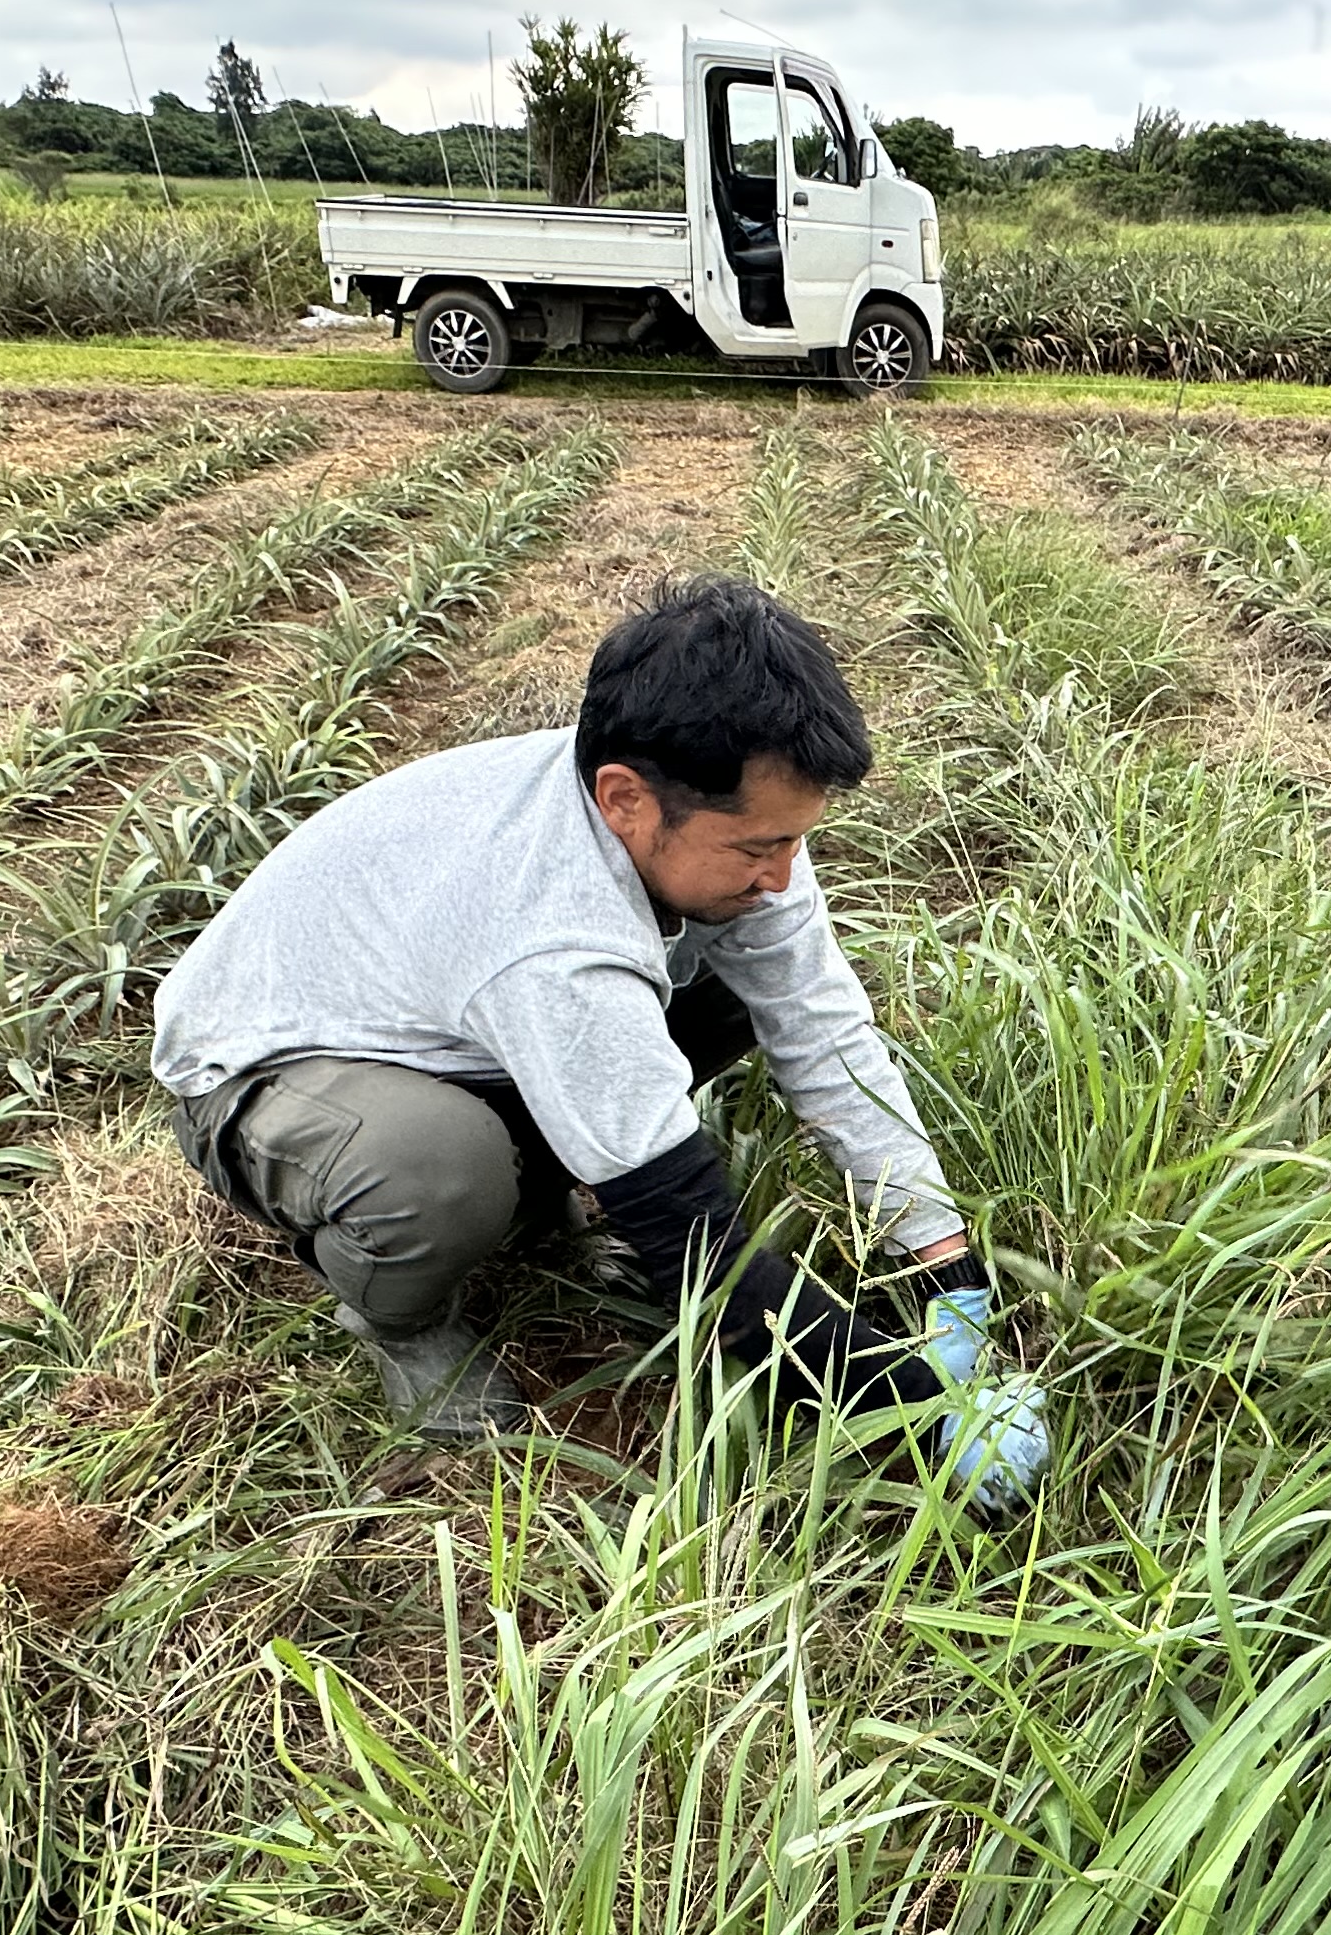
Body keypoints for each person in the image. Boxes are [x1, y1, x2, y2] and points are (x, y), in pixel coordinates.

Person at [153, 573, 1049, 1506]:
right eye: (754, 850)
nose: (784, 876)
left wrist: (942, 1259)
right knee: (432, 1171)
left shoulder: (716, 814)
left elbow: (824, 1034)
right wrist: (913, 1410)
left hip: (448, 1029)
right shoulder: (549, 928)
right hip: (266, 1076)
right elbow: (696, 1249)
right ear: (626, 799)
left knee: (737, 992)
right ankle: (403, 1323)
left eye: (794, 842)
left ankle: (539, 1199)